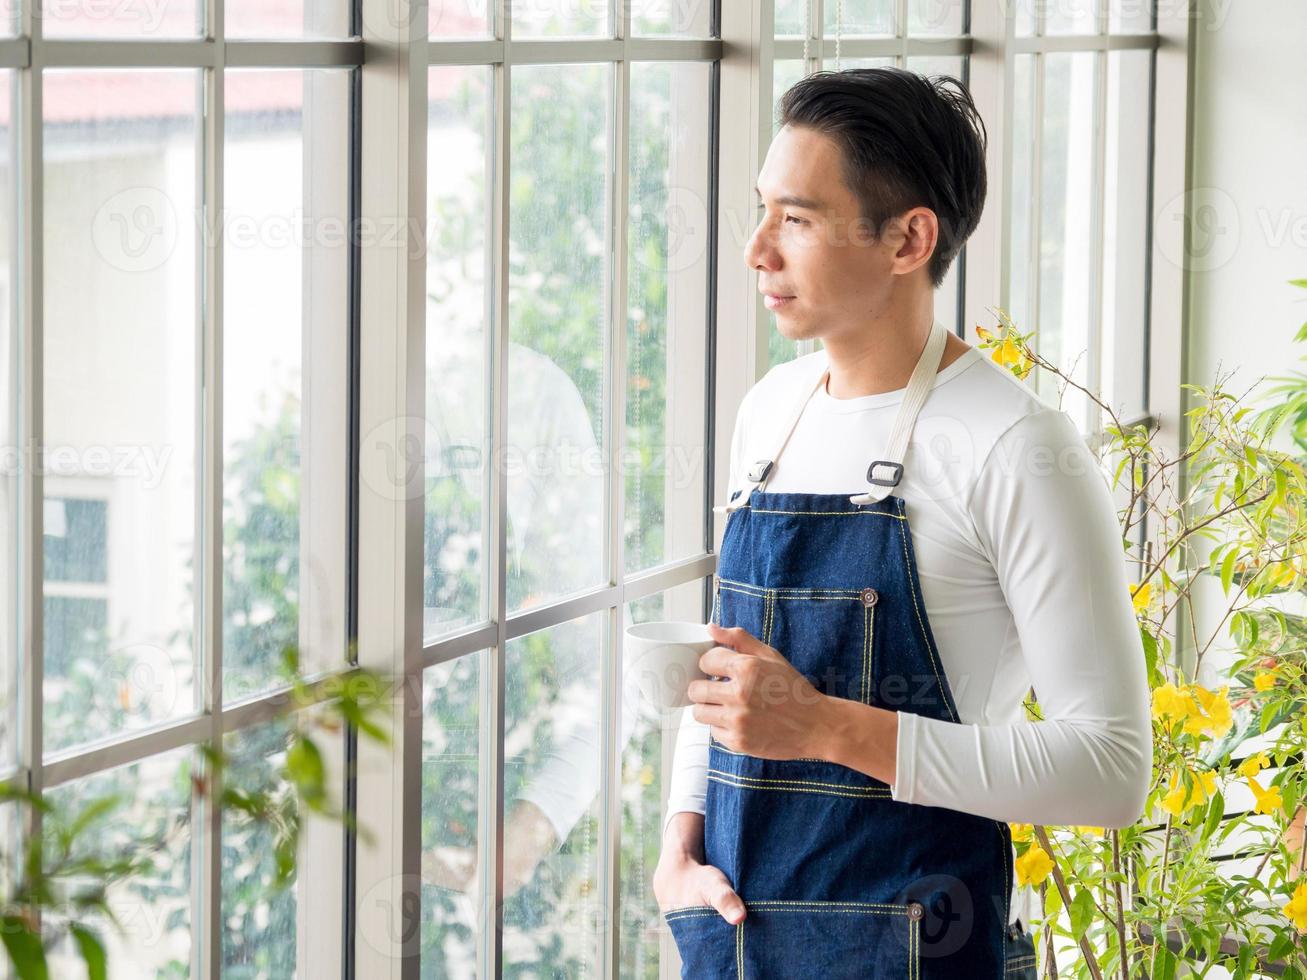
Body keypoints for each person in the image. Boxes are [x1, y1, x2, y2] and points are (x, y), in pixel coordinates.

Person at [652, 67, 1153, 978]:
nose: (756, 250)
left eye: (796, 219)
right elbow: (729, 676)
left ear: (908, 239)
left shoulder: (1013, 446)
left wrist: (823, 728)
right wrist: (676, 851)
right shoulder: (770, 412)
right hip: (732, 946)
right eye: (762, 211)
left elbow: (1110, 769)